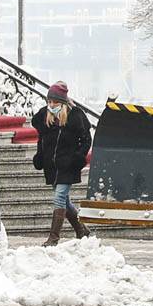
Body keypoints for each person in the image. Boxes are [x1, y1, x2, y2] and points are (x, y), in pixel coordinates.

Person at [32, 82, 92, 246]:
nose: (51, 105)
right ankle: (82, 230)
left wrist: (79, 157)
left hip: (68, 165)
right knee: (64, 201)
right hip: (52, 166)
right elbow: (41, 139)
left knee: (59, 198)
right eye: (49, 102)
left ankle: (53, 238)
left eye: (55, 102)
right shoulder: (45, 116)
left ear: (63, 103)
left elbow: (86, 139)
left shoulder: (74, 116)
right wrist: (40, 155)